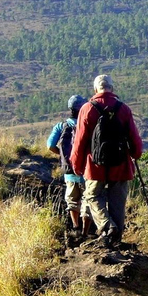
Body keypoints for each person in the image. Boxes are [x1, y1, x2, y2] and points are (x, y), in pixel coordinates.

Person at [70, 74, 143, 246]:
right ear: (112, 88)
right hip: (120, 165)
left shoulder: (87, 109)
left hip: (94, 166)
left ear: (95, 90)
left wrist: (77, 165)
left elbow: (79, 141)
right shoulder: (123, 109)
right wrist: (135, 154)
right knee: (118, 201)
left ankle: (107, 226)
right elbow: (134, 139)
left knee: (92, 196)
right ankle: (116, 239)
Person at [47, 94, 92, 238]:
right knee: (88, 200)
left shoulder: (61, 126)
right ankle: (86, 231)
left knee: (72, 200)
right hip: (86, 170)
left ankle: (76, 227)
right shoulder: (88, 125)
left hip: (69, 170)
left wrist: (63, 156)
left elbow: (50, 146)